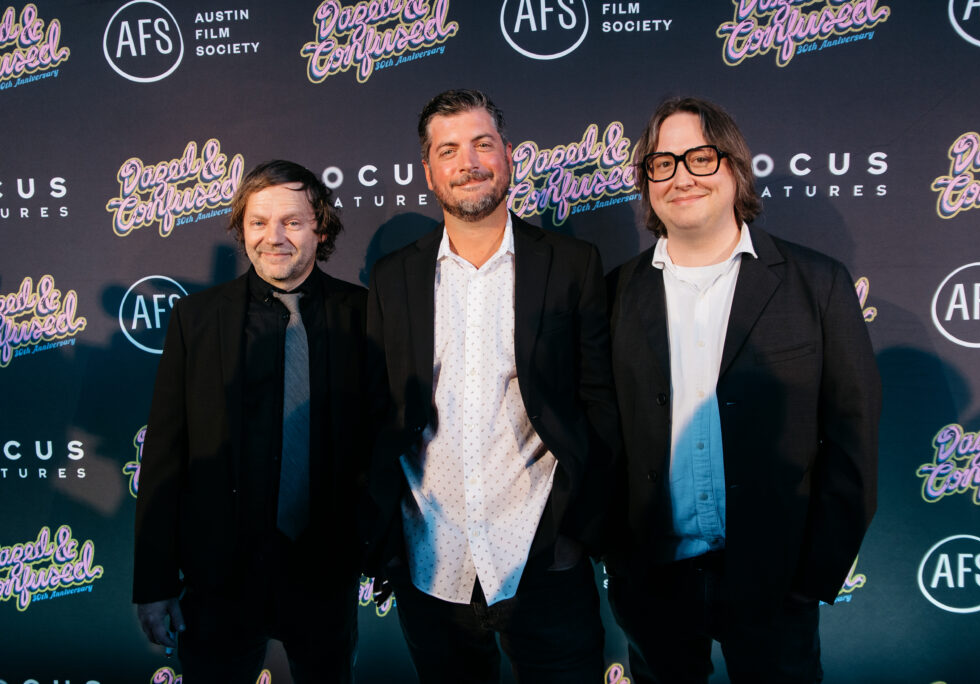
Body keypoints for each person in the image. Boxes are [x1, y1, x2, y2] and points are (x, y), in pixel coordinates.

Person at [605, 97, 881, 684]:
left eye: (701, 157)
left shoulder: (819, 284)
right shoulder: (612, 296)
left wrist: (811, 578)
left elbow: (853, 437)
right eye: (662, 163)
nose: (681, 176)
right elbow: (597, 434)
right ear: (647, 182)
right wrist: (620, 560)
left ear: (735, 169)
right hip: (654, 582)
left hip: (776, 582)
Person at [365, 89, 619, 683]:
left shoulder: (571, 263)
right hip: (432, 561)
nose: (468, 162)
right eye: (448, 150)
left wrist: (577, 533)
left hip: (543, 556)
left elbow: (600, 404)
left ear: (509, 155)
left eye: (483, 144)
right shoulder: (394, 276)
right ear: (428, 171)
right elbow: (377, 409)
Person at [132, 159, 371, 683]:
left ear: (321, 227)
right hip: (219, 579)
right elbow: (165, 456)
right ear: (242, 229)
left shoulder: (365, 315)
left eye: (292, 221)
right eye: (258, 222)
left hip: (325, 574)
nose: (274, 237)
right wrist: (153, 583)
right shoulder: (196, 318)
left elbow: (385, 442)